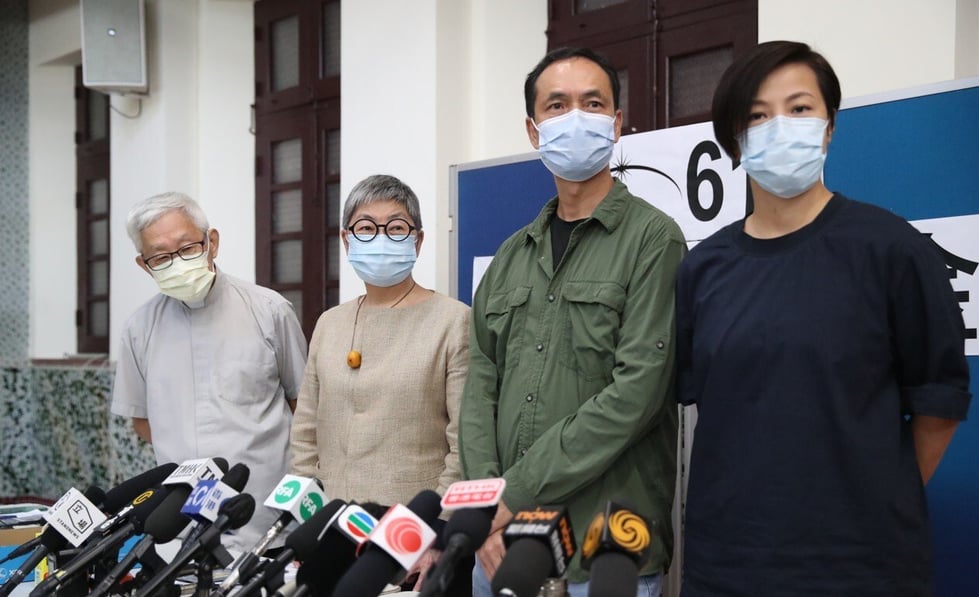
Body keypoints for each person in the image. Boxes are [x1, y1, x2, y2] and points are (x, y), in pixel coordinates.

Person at [675, 41, 972, 595]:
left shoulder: (891, 249)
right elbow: (706, 402)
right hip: (728, 564)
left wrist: (872, 505)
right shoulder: (703, 267)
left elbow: (938, 407)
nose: (778, 126)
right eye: (757, 115)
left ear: (830, 126)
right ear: (734, 137)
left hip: (861, 566)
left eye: (800, 108)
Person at [459, 47, 685, 597]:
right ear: (535, 132)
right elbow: (479, 388)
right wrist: (491, 505)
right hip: (502, 543)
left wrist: (517, 490)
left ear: (615, 124)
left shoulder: (654, 241)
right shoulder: (512, 254)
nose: (575, 117)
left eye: (592, 103)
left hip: (603, 551)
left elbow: (637, 394)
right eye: (557, 106)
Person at [289, 174, 470, 591]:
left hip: (413, 540)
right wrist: (307, 516)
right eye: (367, 227)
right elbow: (306, 431)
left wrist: (433, 534)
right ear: (347, 239)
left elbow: (466, 444)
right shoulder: (330, 323)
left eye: (396, 227)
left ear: (418, 240)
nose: (381, 237)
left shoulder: (453, 321)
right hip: (335, 530)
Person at [111, 192, 307, 551]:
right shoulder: (139, 328)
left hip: (263, 517)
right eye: (161, 257)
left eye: (187, 248)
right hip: (178, 524)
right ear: (144, 264)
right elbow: (142, 420)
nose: (177, 263)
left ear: (211, 243)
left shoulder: (269, 311)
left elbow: (303, 405)